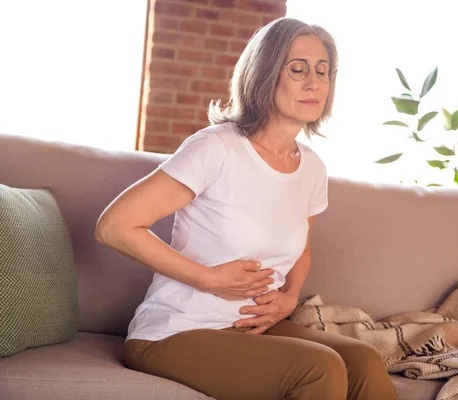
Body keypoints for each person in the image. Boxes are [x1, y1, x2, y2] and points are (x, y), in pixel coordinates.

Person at [95, 17, 397, 400]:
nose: (314, 82)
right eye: (298, 68)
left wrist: (289, 297)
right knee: (318, 368)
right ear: (265, 74)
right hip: (177, 330)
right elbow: (114, 226)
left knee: (365, 361)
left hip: (250, 326)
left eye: (323, 71)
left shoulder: (312, 167)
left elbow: (301, 247)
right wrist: (209, 279)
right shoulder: (216, 148)